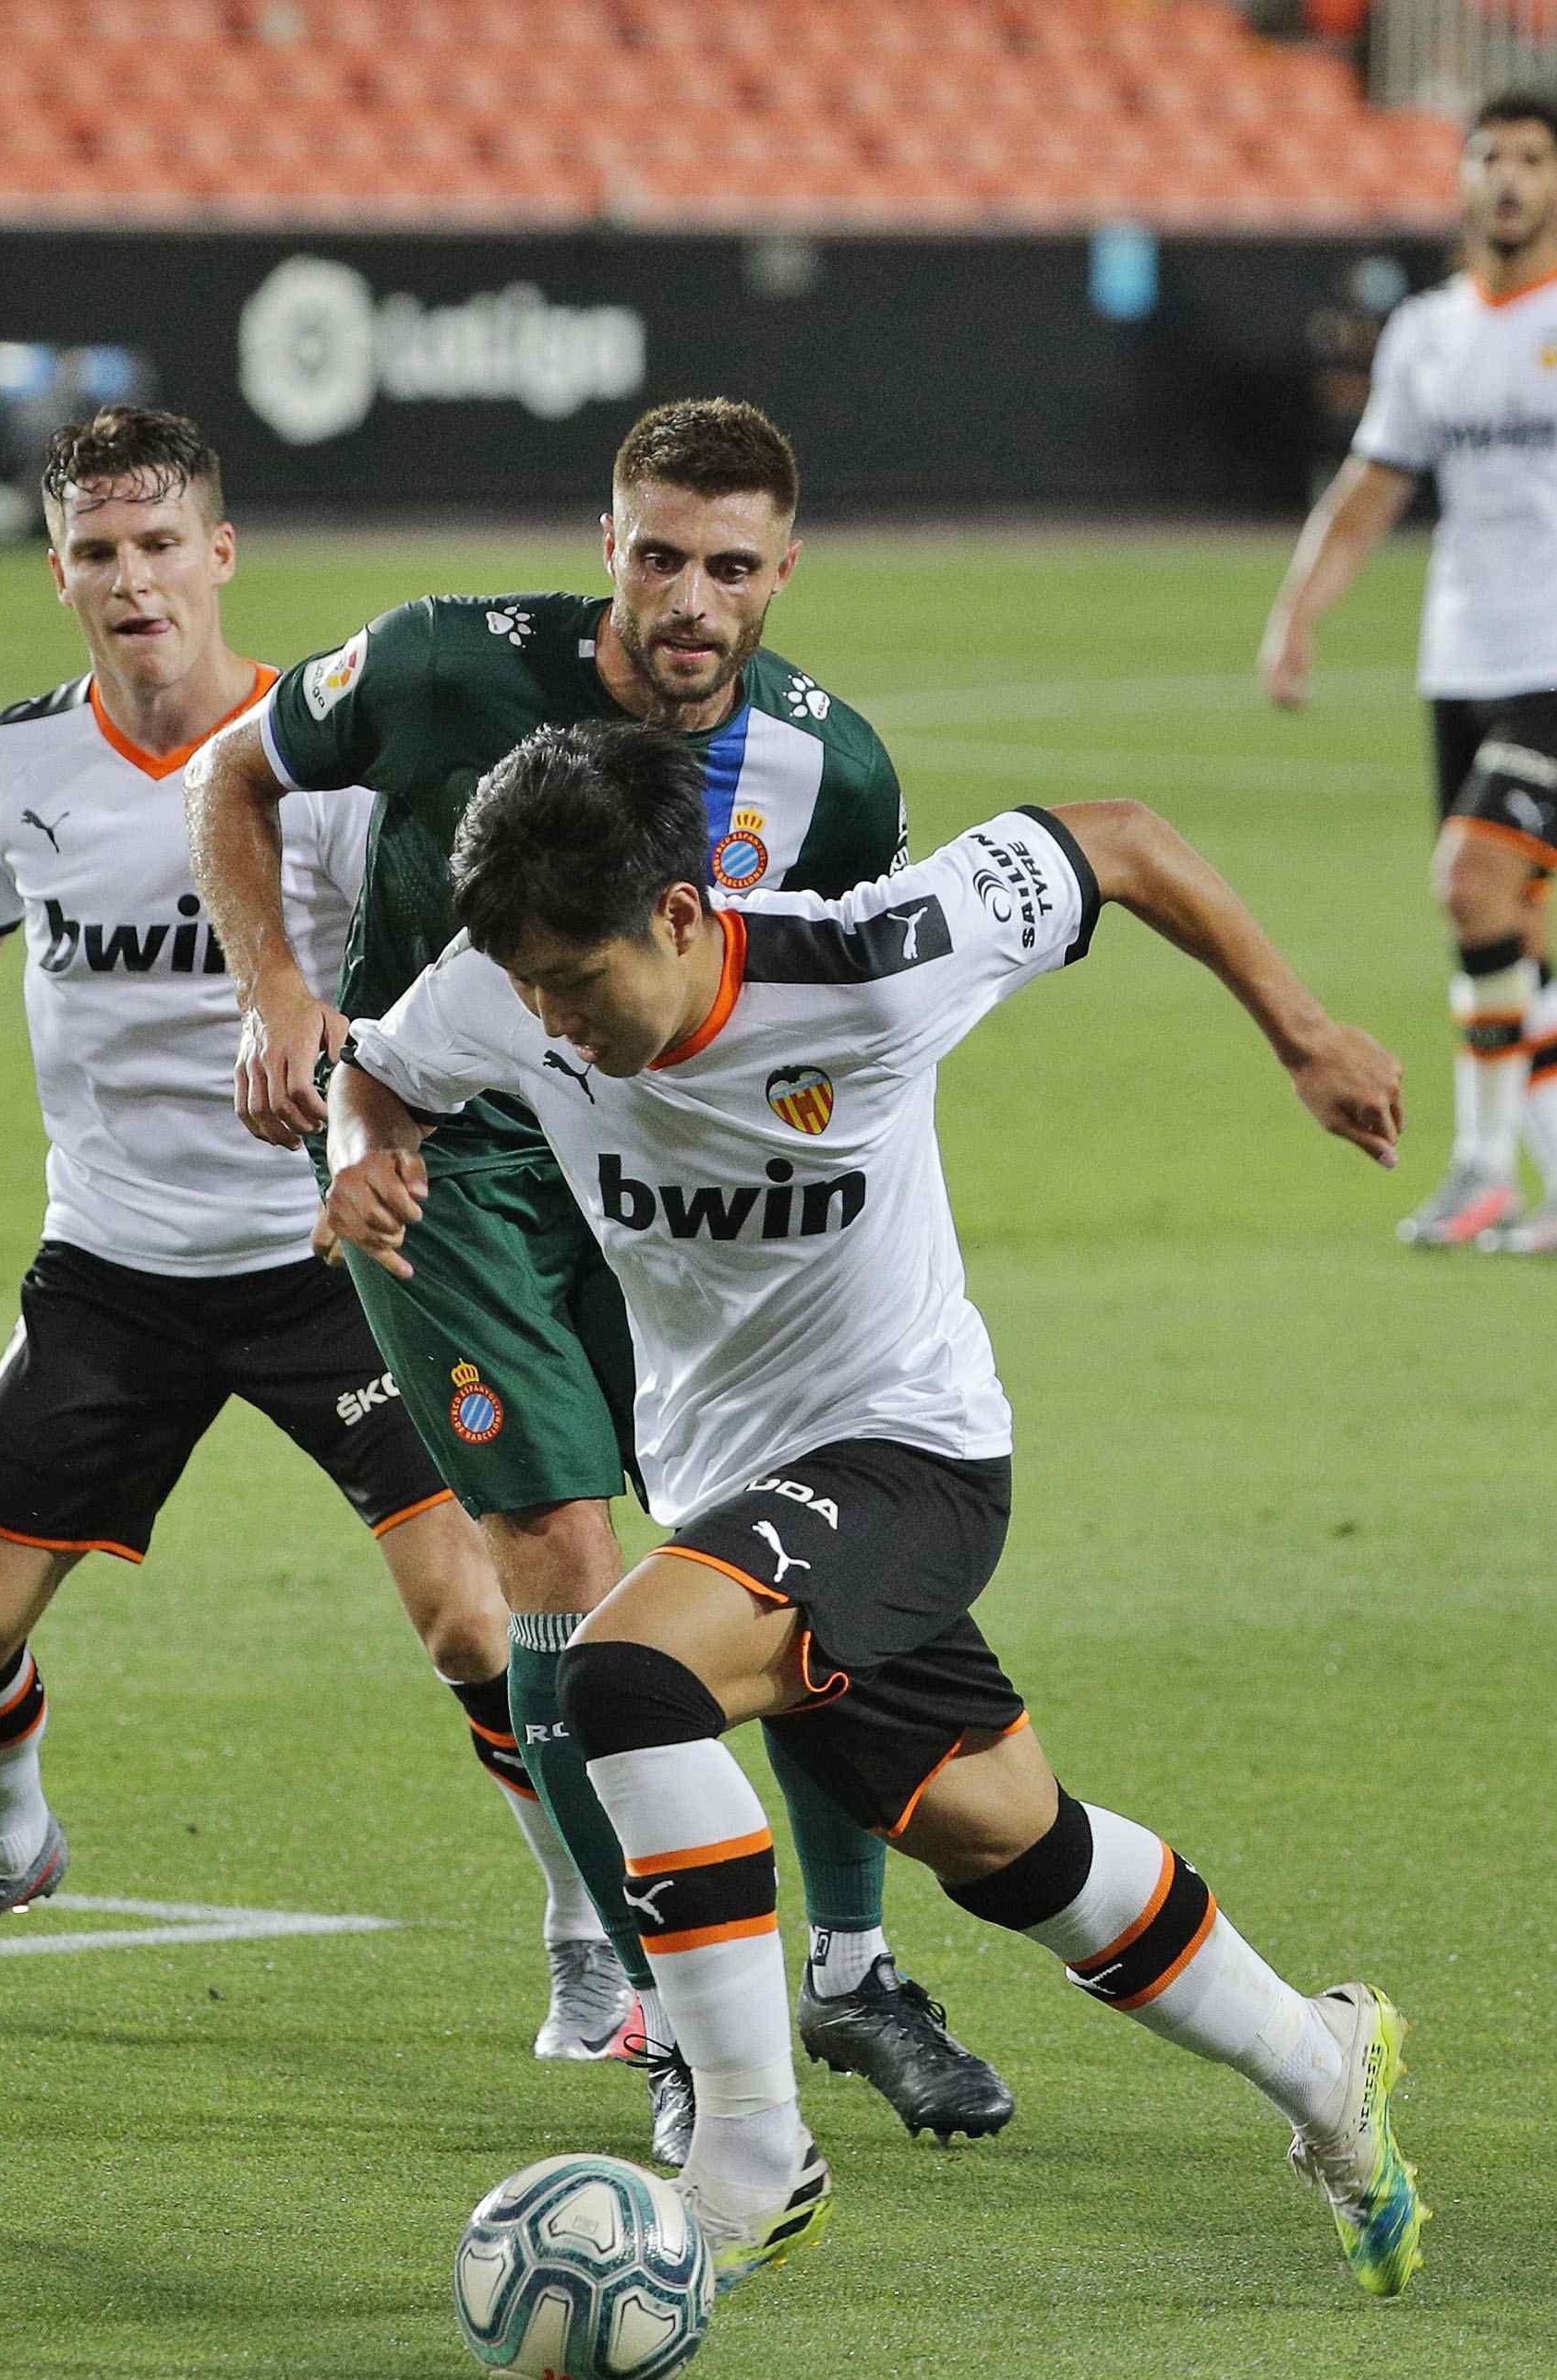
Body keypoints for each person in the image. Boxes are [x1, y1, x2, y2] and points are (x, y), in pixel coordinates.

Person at [321, 719, 1428, 2299]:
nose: (553, 1017)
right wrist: (364, 1155)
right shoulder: (506, 984)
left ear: (686, 916)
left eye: (582, 982)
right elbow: (381, 1073)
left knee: (616, 1678)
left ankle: (749, 2153)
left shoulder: (877, 960)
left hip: (910, 1453)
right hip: (732, 1485)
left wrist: (1305, 1031)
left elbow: (1117, 830)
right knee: (1013, 1846)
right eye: (532, 988)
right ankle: (1322, 2065)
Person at [0, 408, 602, 2045]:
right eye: (99, 551)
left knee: (475, 1616)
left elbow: (454, 976)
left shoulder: (330, 754)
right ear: (60, 570)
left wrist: (365, 1090)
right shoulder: (22, 762)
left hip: (335, 1257)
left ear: (221, 556)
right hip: (114, 1266)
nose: (133, 579)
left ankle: (590, 1927)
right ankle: (6, 1848)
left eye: (162, 546)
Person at [187, 398, 1014, 2161]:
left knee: (774, 1556)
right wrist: (281, 1002)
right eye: (657, 556)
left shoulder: (832, 770)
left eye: (729, 566)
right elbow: (232, 774)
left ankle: (855, 1970)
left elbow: (838, 1000)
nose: (688, 600)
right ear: (608, 545)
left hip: (685, 1177)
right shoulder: (434, 663)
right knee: (563, 1559)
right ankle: (661, 2003)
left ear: (785, 573)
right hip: (456, 1156)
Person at [1258, 92, 1557, 1256]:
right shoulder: (1425, 332)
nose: (1507, 178)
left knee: (1470, 881)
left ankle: (1478, 1167)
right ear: (1461, 180)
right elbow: (1368, 494)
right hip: (1460, 661)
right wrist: (1295, 611)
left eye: (1532, 159)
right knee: (1515, 921)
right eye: (1488, 157)